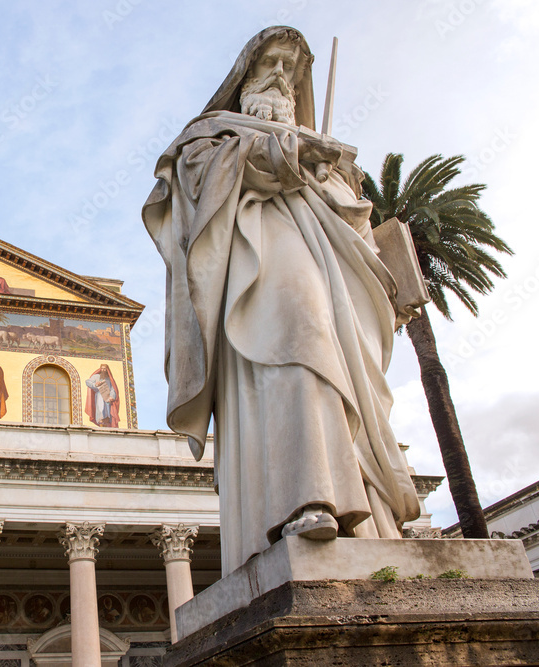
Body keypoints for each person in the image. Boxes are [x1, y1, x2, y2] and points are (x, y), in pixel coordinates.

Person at [143, 26, 420, 575]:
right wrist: (287, 151)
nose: (280, 76)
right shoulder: (211, 135)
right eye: (270, 61)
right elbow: (193, 185)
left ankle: (366, 508)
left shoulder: (327, 158)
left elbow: (354, 221)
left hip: (329, 261)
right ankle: (304, 496)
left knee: (336, 358)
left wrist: (341, 187)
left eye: (291, 70)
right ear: (245, 74)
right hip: (257, 255)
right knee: (298, 331)